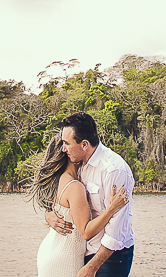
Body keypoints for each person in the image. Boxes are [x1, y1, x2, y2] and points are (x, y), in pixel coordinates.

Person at [44, 112, 135, 277]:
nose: (64, 149)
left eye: (67, 143)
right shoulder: (78, 165)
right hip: (84, 252)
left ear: (84, 144)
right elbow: (64, 203)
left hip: (110, 256)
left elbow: (116, 232)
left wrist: (92, 267)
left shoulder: (113, 170)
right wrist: (48, 215)